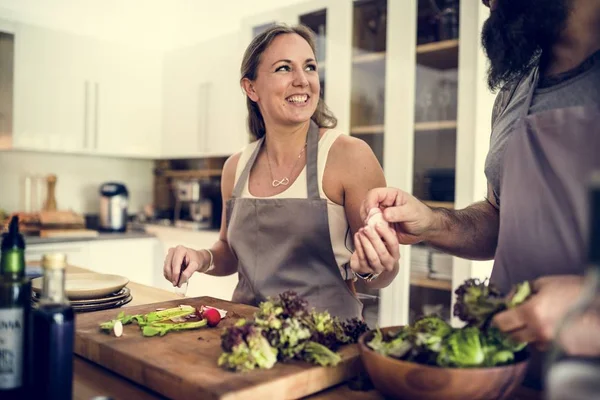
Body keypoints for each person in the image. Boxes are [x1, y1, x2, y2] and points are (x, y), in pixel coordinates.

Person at [361, 0, 600, 388]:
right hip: (509, 374)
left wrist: (590, 311)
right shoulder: (514, 90)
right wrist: (434, 224)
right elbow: (500, 217)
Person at [163, 24, 400, 322]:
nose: (302, 80)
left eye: (310, 67)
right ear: (251, 88)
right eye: (284, 68)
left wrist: (374, 266)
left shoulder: (349, 156)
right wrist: (201, 258)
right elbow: (229, 251)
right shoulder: (235, 166)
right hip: (247, 336)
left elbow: (383, 274)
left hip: (327, 344)